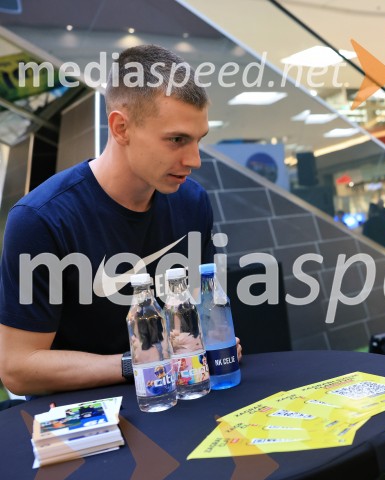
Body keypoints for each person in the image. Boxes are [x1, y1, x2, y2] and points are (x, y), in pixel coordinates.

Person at [0, 44, 241, 398]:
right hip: (84, 417)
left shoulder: (193, 202)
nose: (194, 160)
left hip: (180, 399)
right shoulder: (40, 220)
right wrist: (141, 363)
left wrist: (215, 341)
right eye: (177, 140)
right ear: (121, 128)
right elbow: (18, 369)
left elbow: (198, 321)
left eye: (198, 140)